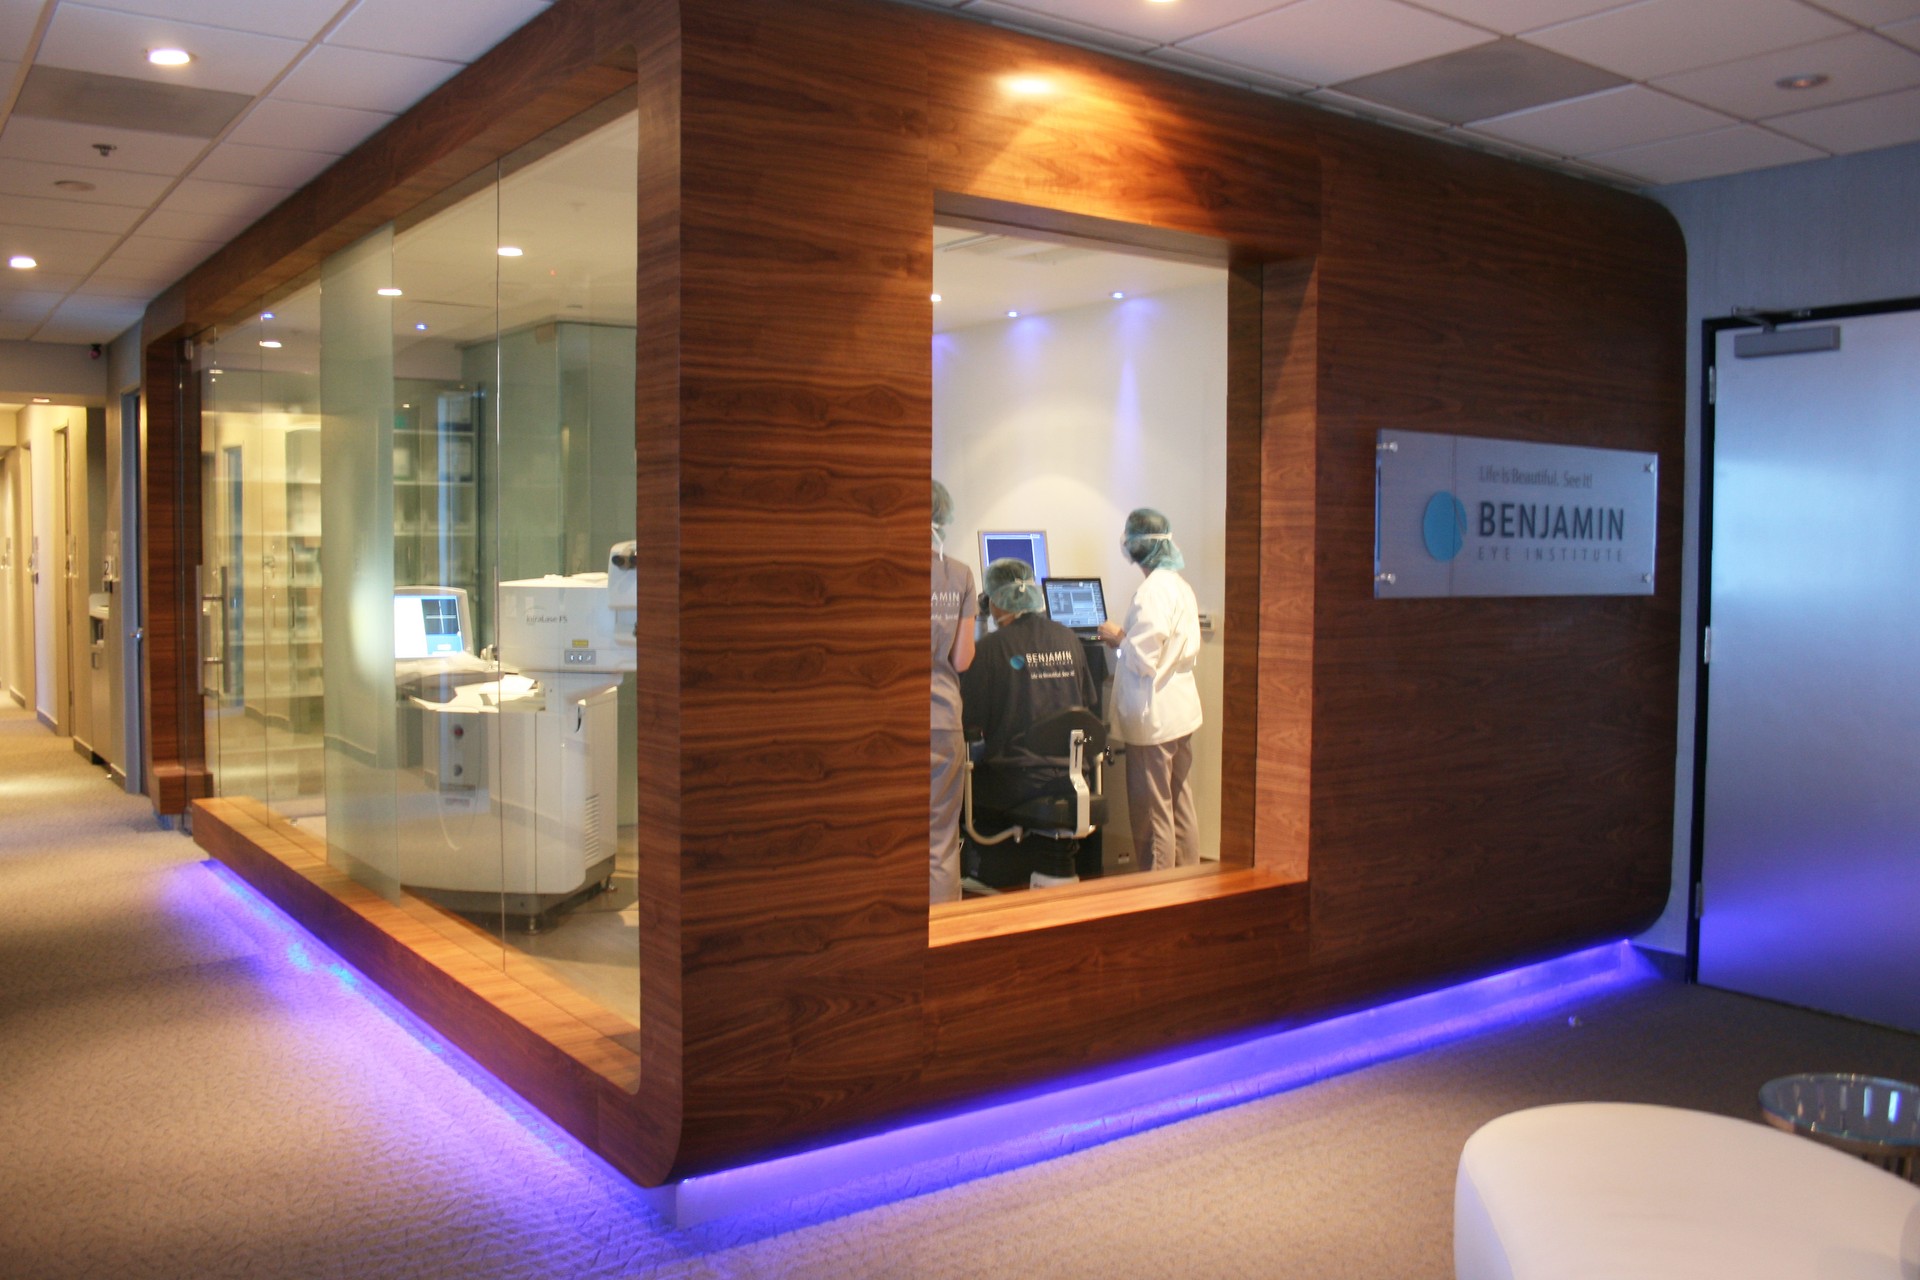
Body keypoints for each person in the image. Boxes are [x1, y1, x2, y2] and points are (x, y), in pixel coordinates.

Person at [1096, 508, 1202, 873]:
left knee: (1153, 814)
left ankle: (1157, 892)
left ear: (1137, 546)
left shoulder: (1152, 592)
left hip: (1154, 717)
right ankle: (1187, 881)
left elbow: (1143, 659)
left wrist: (1117, 638)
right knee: (1179, 803)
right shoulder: (1179, 586)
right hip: (1180, 713)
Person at [961, 558, 1099, 817]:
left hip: (1015, 782)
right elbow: (1086, 704)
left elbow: (970, 719)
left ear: (995, 601)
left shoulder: (991, 649)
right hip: (1074, 776)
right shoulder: (1069, 638)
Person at [930, 481, 976, 905]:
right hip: (943, 718)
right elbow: (962, 660)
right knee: (941, 837)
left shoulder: (884, 571)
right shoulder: (960, 575)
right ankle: (945, 930)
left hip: (890, 721)